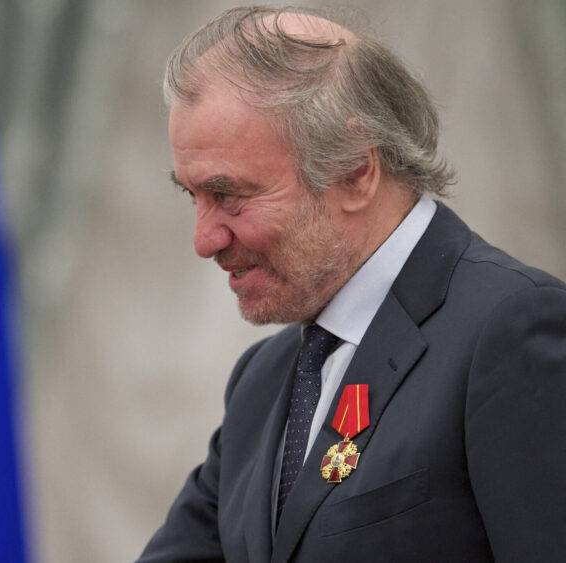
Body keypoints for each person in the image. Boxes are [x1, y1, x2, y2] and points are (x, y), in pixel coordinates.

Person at [139, 6, 566, 562]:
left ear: (356, 173)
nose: (205, 239)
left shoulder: (512, 333)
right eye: (190, 195)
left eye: (229, 195)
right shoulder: (262, 381)